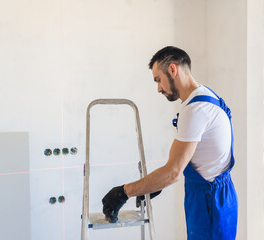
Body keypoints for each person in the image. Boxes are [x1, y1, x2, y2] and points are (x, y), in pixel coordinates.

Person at [102, 46, 238, 239]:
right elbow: (199, 160)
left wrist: (124, 192)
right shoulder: (207, 96)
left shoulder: (195, 111)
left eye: (158, 79)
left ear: (173, 69)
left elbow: (173, 172)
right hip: (222, 197)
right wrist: (152, 185)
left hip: (207, 203)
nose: (158, 88)